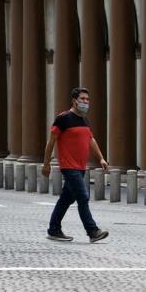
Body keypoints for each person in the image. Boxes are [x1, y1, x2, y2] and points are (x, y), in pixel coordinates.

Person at [42, 87, 109, 243]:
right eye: (83, 99)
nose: (86, 102)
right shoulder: (63, 118)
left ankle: (54, 230)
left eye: (87, 99)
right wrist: (46, 164)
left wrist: (101, 158)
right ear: (74, 101)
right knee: (83, 197)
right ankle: (93, 231)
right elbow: (51, 141)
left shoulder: (85, 120)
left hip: (80, 167)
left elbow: (91, 140)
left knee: (66, 199)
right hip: (69, 166)